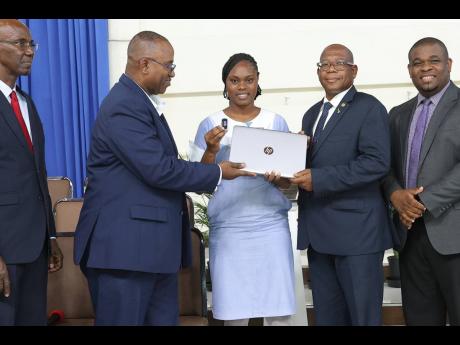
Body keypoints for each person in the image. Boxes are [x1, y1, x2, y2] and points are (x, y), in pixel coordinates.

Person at [73, 31, 254, 326]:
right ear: (145, 64)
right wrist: (219, 171)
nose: (172, 74)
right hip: (125, 251)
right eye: (168, 66)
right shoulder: (124, 105)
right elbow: (158, 169)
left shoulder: (140, 103)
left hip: (149, 250)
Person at [189, 53, 296, 326]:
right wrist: (212, 150)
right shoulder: (210, 124)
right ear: (225, 84)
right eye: (234, 80)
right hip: (229, 228)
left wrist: (278, 178)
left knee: (277, 309)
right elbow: (197, 179)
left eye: (248, 80)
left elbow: (289, 180)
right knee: (234, 310)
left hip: (270, 225)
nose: (242, 86)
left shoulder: (275, 121)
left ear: (258, 82)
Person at [290, 44, 393, 325]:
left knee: (362, 317)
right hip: (319, 236)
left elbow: (376, 163)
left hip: (357, 236)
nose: (331, 68)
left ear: (354, 70)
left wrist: (319, 179)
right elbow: (312, 164)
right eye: (324, 64)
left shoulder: (370, 108)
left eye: (339, 63)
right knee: (328, 318)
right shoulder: (312, 114)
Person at [382, 37, 460, 325]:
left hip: (454, 236)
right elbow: (384, 166)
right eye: (418, 63)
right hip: (410, 237)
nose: (425, 68)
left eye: (434, 61)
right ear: (409, 69)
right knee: (420, 318)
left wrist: (422, 201)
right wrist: (395, 195)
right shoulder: (398, 114)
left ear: (448, 64)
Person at [0, 19, 63, 325]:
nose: (29, 51)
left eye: (31, 44)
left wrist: (50, 235)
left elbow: (39, 175)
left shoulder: (27, 103)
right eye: (20, 44)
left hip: (34, 247)